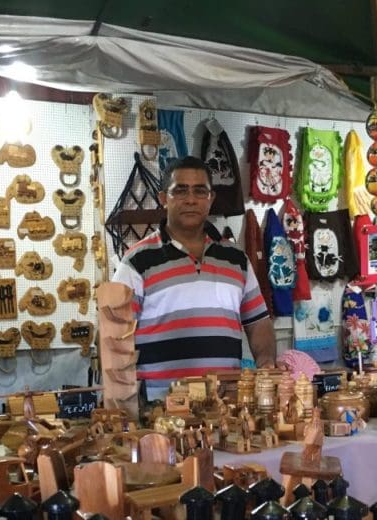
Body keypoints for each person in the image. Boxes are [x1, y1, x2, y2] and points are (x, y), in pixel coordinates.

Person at [112, 155, 276, 400]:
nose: (190, 199)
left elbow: (258, 322)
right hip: (161, 407)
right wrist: (124, 405)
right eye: (180, 190)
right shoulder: (136, 261)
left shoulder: (236, 259)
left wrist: (266, 365)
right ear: (163, 199)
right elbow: (114, 337)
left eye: (200, 191)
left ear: (211, 199)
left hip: (225, 405)